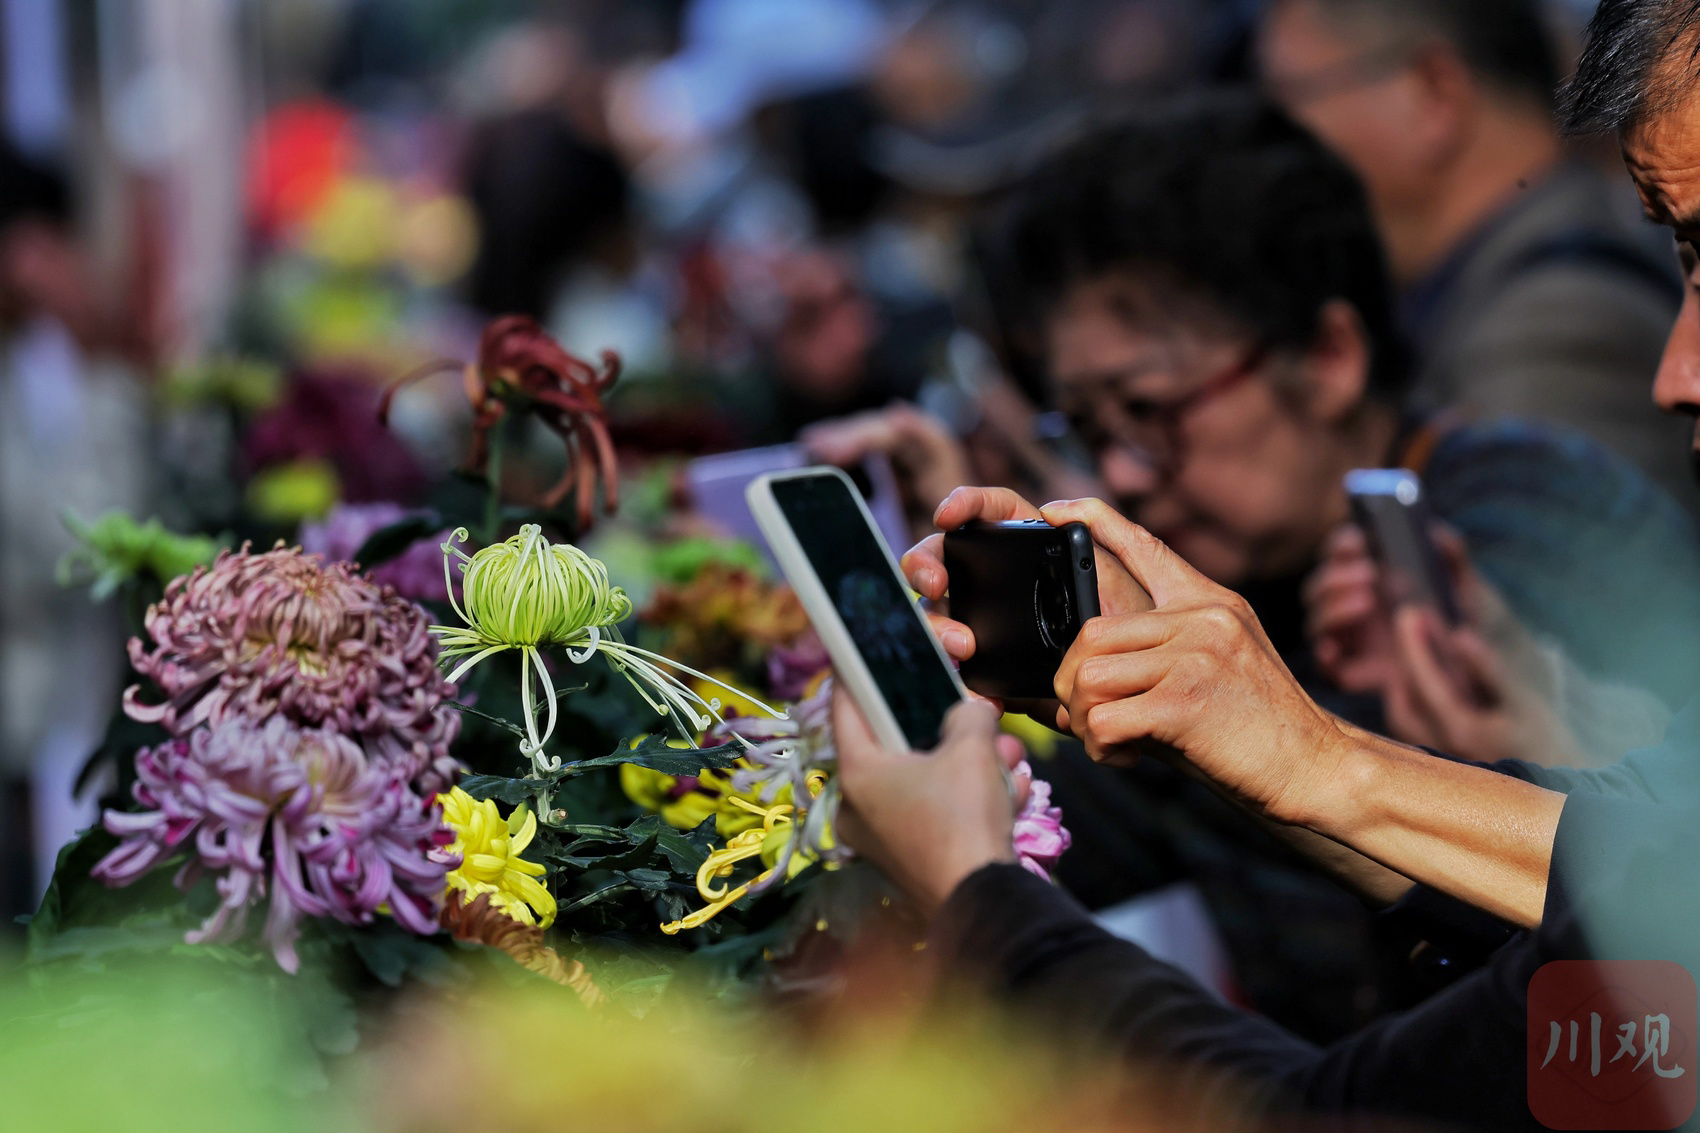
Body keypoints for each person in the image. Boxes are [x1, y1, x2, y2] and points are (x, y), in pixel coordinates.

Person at [829, 3, 1700, 1126]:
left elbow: (1375, 1096)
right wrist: (1272, 745)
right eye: (1088, 429)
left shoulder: (1521, 525)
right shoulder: (1254, 592)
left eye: (1150, 410)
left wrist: (970, 889)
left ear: (1328, 355)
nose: (1671, 372)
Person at [1258, 0, 1699, 512]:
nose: (1270, 155)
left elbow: (1571, 584)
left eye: (1287, 107)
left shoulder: (1555, 322)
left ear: (1434, 93)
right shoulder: (1480, 293)